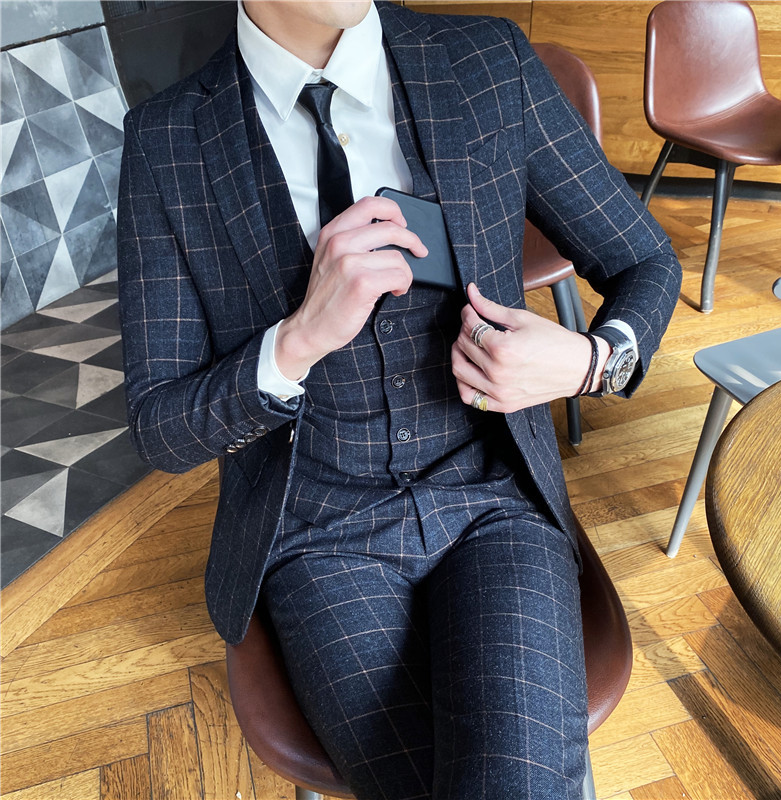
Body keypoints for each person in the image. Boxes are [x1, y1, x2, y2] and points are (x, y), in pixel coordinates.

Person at [117, 1, 681, 798]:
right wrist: (296, 341)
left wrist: (593, 361)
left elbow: (645, 260)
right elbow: (161, 428)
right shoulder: (167, 140)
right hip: (316, 530)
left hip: (494, 496)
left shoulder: (487, 61)